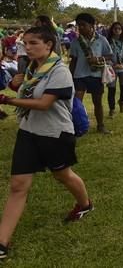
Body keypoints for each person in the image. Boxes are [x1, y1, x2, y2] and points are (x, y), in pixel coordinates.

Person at [0, 27, 93, 260]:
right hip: (28, 131)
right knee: (18, 185)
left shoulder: (59, 71)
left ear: (49, 45)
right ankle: (2, 242)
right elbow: (29, 92)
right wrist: (15, 85)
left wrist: (7, 99)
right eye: (26, 43)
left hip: (54, 134)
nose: (27, 47)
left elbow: (44, 103)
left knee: (63, 175)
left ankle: (84, 204)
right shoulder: (32, 68)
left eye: (33, 43)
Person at [68, 13, 113, 134]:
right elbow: (74, 61)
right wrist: (69, 77)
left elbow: (110, 56)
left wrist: (98, 59)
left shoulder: (102, 40)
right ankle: (75, 127)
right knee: (77, 103)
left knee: (97, 102)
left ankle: (100, 126)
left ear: (92, 25)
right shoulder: (75, 42)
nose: (80, 28)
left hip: (96, 76)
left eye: (83, 25)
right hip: (79, 76)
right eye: (78, 25)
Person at [106, 22, 123, 117]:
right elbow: (105, 56)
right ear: (112, 30)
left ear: (122, 30)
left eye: (119, 29)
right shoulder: (107, 42)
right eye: (115, 28)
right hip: (111, 69)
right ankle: (112, 109)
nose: (117, 30)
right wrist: (112, 64)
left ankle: (122, 101)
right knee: (111, 90)